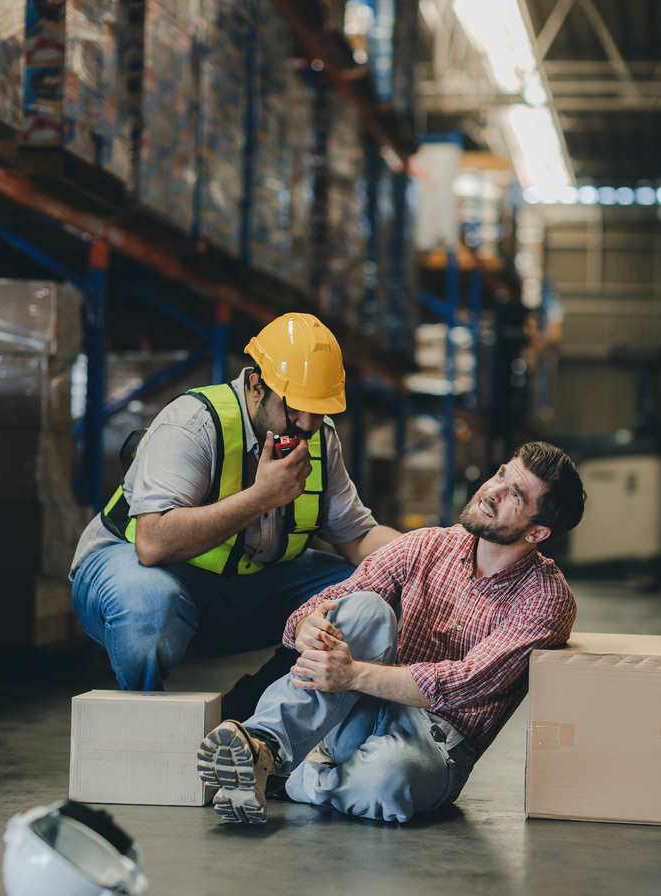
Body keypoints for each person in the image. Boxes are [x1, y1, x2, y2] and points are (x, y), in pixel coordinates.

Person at [196, 441, 587, 825]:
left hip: (438, 745)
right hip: (365, 709)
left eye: (515, 494)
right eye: (501, 474)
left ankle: (296, 777)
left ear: (537, 533)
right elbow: (336, 598)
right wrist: (306, 624)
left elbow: (467, 683)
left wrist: (352, 675)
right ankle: (263, 745)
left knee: (385, 781)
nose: (492, 491)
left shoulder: (546, 598)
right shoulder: (428, 544)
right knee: (366, 607)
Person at [70, 313, 399, 703]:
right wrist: (263, 496)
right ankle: (149, 724)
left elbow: (358, 535)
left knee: (369, 593)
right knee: (148, 603)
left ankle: (246, 715)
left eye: (319, 409)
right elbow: (153, 543)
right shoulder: (193, 424)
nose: (307, 424)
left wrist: (432, 555)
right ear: (257, 386)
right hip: (146, 575)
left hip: (247, 590)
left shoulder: (319, 440)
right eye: (294, 407)